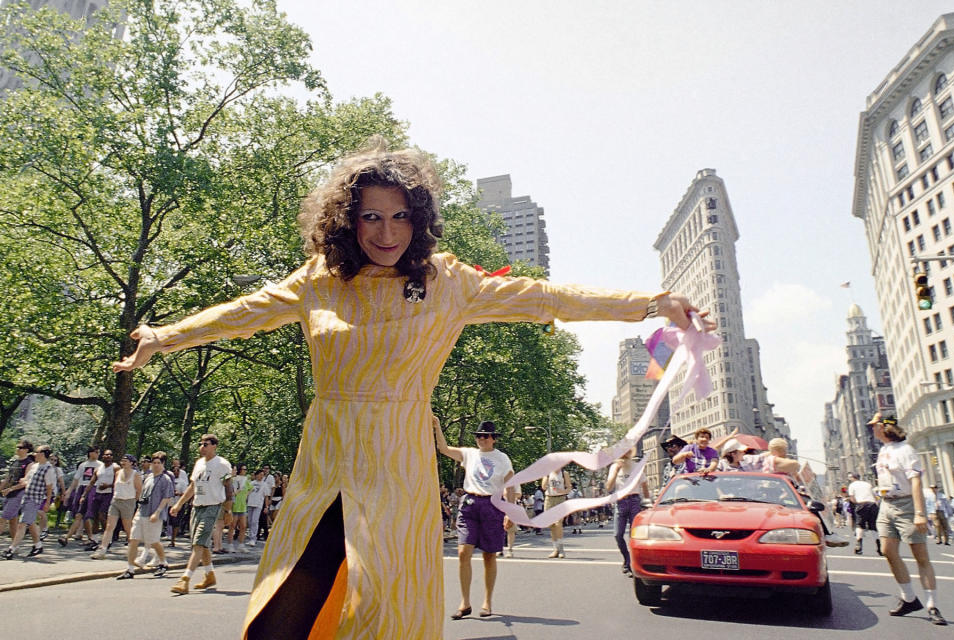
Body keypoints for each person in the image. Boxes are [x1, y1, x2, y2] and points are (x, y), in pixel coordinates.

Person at [111, 138, 712, 639]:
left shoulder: (449, 281)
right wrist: (163, 336)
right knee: (284, 608)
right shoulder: (322, 280)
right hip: (324, 464)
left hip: (396, 468)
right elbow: (244, 312)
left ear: (418, 219)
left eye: (400, 215)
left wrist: (651, 304)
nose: (387, 230)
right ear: (347, 220)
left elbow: (545, 298)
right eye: (371, 215)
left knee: (384, 605)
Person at [434, 417, 515, 620]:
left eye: (486, 436)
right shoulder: (468, 454)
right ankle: (465, 602)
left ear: (493, 438)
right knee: (463, 552)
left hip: (492, 505)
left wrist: (509, 511)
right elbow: (443, 448)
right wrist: (436, 426)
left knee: (489, 555)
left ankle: (487, 601)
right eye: (479, 436)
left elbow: (510, 486)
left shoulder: (502, 458)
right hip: (470, 504)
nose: (482, 439)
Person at [869, 413, 947, 626]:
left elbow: (915, 482)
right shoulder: (884, 450)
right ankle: (909, 598)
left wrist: (920, 513)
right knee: (887, 550)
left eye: (874, 425)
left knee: (920, 555)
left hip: (907, 505)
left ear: (885, 427)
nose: (872, 429)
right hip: (886, 504)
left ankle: (932, 605)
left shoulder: (906, 450)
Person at [167, 434, 232, 595]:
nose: (202, 447)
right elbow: (192, 487)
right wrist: (179, 504)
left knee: (198, 543)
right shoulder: (199, 464)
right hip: (197, 506)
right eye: (200, 444)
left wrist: (228, 510)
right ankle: (209, 575)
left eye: (206, 444)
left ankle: (185, 579)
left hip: (213, 506)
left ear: (214, 446)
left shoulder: (222, 464)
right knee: (202, 545)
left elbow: (228, 489)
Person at [118, 451, 175, 579]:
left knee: (153, 541)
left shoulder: (165, 479)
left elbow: (166, 498)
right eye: (153, 463)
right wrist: (137, 512)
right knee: (133, 539)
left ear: (163, 464)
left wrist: (157, 512)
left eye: (158, 463)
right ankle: (130, 569)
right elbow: (143, 496)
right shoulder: (148, 477)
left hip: (154, 515)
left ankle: (163, 562)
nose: (155, 465)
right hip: (142, 512)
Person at [3, 445, 54, 559]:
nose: (35, 454)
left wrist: (47, 503)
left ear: (43, 454)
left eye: (37, 452)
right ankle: (38, 545)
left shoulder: (48, 468)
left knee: (22, 524)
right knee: (30, 523)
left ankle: (12, 549)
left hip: (35, 499)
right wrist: (13, 487)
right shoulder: (35, 466)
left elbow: (49, 487)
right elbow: (26, 481)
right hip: (26, 497)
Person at [605, 447, 649, 576]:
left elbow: (645, 485)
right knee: (618, 534)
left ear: (630, 453)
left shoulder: (636, 466)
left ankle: (632, 563)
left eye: (626, 452)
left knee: (634, 535)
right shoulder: (614, 467)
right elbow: (609, 487)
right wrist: (616, 470)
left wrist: (648, 502)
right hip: (621, 501)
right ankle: (626, 558)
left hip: (635, 500)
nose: (624, 455)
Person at [91, 454, 142, 559]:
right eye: (122, 460)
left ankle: (133, 550)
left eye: (126, 461)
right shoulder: (118, 473)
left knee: (127, 527)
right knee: (109, 526)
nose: (123, 462)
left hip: (128, 501)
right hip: (116, 501)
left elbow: (139, 491)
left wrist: (134, 501)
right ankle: (102, 550)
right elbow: (115, 486)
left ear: (131, 463)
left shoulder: (135, 475)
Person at [59, 446, 102, 547]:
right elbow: (76, 479)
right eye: (95, 452)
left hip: (94, 489)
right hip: (82, 488)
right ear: (90, 453)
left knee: (88, 515)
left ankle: (91, 538)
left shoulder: (101, 465)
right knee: (79, 515)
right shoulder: (83, 465)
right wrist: (69, 492)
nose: (97, 454)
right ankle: (67, 538)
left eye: (98, 452)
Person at [82, 449, 118, 549]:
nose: (108, 456)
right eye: (106, 455)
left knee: (102, 515)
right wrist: (84, 495)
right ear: (103, 456)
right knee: (94, 517)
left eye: (110, 455)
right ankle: (94, 539)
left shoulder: (115, 468)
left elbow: (118, 482)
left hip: (109, 493)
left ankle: (108, 538)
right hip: (98, 493)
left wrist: (108, 486)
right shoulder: (99, 468)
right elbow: (92, 482)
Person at [1, 440, 35, 539]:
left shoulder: (29, 463)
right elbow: (8, 478)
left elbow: (26, 482)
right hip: (10, 493)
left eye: (20, 447)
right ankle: (14, 547)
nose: (17, 449)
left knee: (3, 518)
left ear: (26, 450)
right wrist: (2, 488)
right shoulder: (15, 462)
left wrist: (11, 489)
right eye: (17, 447)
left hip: (19, 493)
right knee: (13, 521)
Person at [846, 472, 880, 556]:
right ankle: (879, 546)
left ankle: (858, 545)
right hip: (872, 504)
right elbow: (874, 496)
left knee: (860, 525)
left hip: (861, 504)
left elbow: (852, 498)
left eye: (850, 478)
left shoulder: (852, 485)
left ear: (853, 478)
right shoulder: (867, 484)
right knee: (874, 526)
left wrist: (856, 504)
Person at [541, 467, 572, 558]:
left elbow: (569, 487)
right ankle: (555, 549)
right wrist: (546, 477)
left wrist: (563, 491)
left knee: (558, 523)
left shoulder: (564, 473)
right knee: (552, 525)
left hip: (560, 498)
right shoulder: (547, 473)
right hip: (549, 499)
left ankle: (561, 549)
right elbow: (543, 487)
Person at [166, 458, 189, 547]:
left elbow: (186, 493)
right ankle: (169, 535)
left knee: (176, 522)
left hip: (179, 504)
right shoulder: (168, 481)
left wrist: (178, 493)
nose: (176, 472)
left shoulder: (182, 482)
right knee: (170, 522)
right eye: (174, 471)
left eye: (177, 471)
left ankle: (173, 540)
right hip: (170, 503)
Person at [229, 464, 252, 552]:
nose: (245, 471)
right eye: (244, 469)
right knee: (232, 525)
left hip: (243, 505)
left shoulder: (246, 479)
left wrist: (246, 495)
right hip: (235, 505)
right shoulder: (234, 479)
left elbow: (251, 488)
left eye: (246, 469)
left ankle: (241, 545)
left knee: (243, 526)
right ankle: (230, 544)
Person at [245, 469, 267, 546]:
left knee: (255, 521)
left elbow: (266, 496)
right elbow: (247, 493)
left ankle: (253, 538)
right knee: (250, 521)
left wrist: (266, 506)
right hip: (250, 503)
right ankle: (251, 536)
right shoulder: (251, 483)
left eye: (263, 475)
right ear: (256, 475)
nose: (261, 476)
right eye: (260, 474)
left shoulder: (264, 484)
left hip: (258, 504)